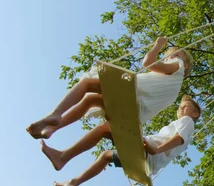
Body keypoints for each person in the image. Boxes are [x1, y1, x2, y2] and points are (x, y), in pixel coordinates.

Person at [26, 37, 193, 139]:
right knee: (90, 100)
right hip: (134, 112)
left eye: (176, 55)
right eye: (168, 55)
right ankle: (52, 130)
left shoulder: (177, 66)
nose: (171, 57)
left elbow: (147, 63)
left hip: (131, 96)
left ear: (185, 64)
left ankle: (56, 115)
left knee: (86, 84)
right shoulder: (174, 88)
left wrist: (158, 46)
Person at [42, 95, 201, 186]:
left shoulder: (187, 122)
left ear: (195, 113)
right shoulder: (181, 122)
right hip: (146, 163)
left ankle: (62, 157)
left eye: (185, 106)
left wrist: (155, 149)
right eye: (180, 106)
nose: (181, 107)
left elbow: (178, 138)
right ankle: (73, 183)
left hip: (147, 151)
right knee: (105, 155)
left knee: (107, 125)